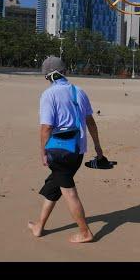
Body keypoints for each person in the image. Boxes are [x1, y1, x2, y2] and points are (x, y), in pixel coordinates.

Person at [28, 56, 105, 243]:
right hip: (77, 150)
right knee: (55, 186)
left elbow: (46, 127)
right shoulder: (79, 91)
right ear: (64, 72)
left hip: (60, 151)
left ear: (48, 76)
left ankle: (85, 232)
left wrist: (43, 152)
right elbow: (91, 122)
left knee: (69, 191)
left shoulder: (49, 95)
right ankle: (39, 226)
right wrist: (97, 147)